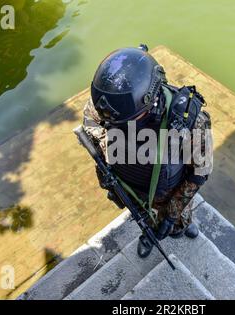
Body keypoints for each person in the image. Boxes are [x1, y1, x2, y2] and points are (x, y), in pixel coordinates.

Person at [83, 44, 213, 258]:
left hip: (171, 194)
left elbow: (200, 173)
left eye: (128, 121)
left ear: (150, 101)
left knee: (178, 222)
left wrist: (172, 215)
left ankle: (182, 225)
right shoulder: (106, 107)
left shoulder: (191, 122)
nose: (119, 126)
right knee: (145, 222)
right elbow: (94, 138)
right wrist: (107, 179)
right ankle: (147, 235)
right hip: (132, 190)